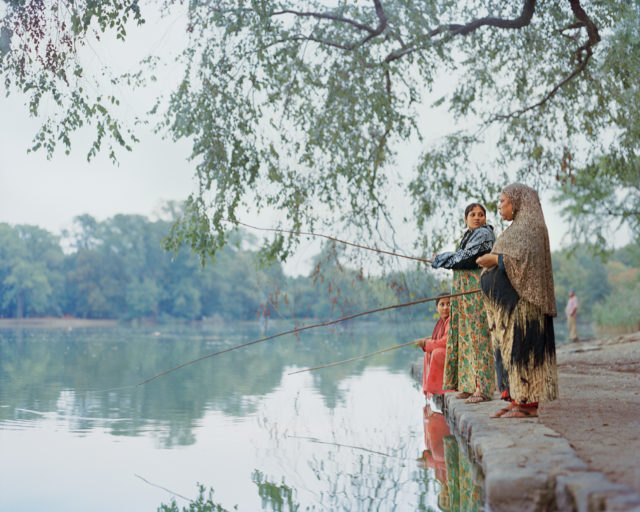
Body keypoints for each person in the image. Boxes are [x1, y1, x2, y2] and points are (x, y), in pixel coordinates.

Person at [477, 183, 559, 419]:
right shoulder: (515, 229)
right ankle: (516, 399)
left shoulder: (532, 227)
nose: (499, 205)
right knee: (511, 352)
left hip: (525, 305)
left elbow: (526, 261)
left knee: (524, 351)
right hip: (508, 308)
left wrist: (494, 259)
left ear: (517, 201)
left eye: (503, 200)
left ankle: (527, 404)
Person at [431, 203, 496, 403]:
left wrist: (444, 258)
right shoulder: (468, 236)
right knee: (464, 336)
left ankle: (482, 388)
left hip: (475, 293)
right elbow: (460, 257)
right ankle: (468, 385)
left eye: (481, 214)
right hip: (462, 295)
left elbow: (468, 258)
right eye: (473, 214)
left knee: (478, 336)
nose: (477, 218)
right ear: (466, 219)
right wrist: (445, 259)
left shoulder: (485, 234)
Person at [415, 293, 453, 403]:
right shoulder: (441, 322)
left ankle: (446, 386)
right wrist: (426, 342)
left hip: (456, 356)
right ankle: (433, 387)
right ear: (437, 308)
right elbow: (439, 339)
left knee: (436, 353)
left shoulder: (452, 320)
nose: (445, 307)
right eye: (442, 304)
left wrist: (426, 343)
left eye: (449, 304)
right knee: (427, 353)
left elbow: (445, 342)